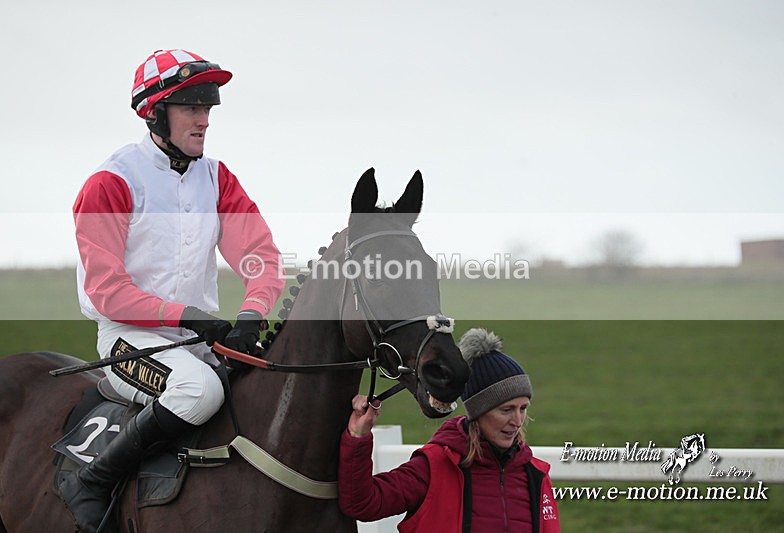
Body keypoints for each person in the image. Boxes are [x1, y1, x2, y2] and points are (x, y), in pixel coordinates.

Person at [60, 49, 285, 532]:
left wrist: (252, 311)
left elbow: (260, 255)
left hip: (198, 337)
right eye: (192, 108)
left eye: (208, 108)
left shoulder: (217, 177)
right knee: (199, 390)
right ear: (155, 112)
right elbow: (107, 292)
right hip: (126, 340)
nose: (204, 120)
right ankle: (95, 481)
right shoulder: (110, 182)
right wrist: (186, 315)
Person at [339, 328, 561, 532]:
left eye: (523, 408)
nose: (517, 420)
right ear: (478, 411)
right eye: (506, 410)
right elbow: (362, 503)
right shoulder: (435, 465)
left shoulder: (536, 474)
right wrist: (358, 437)